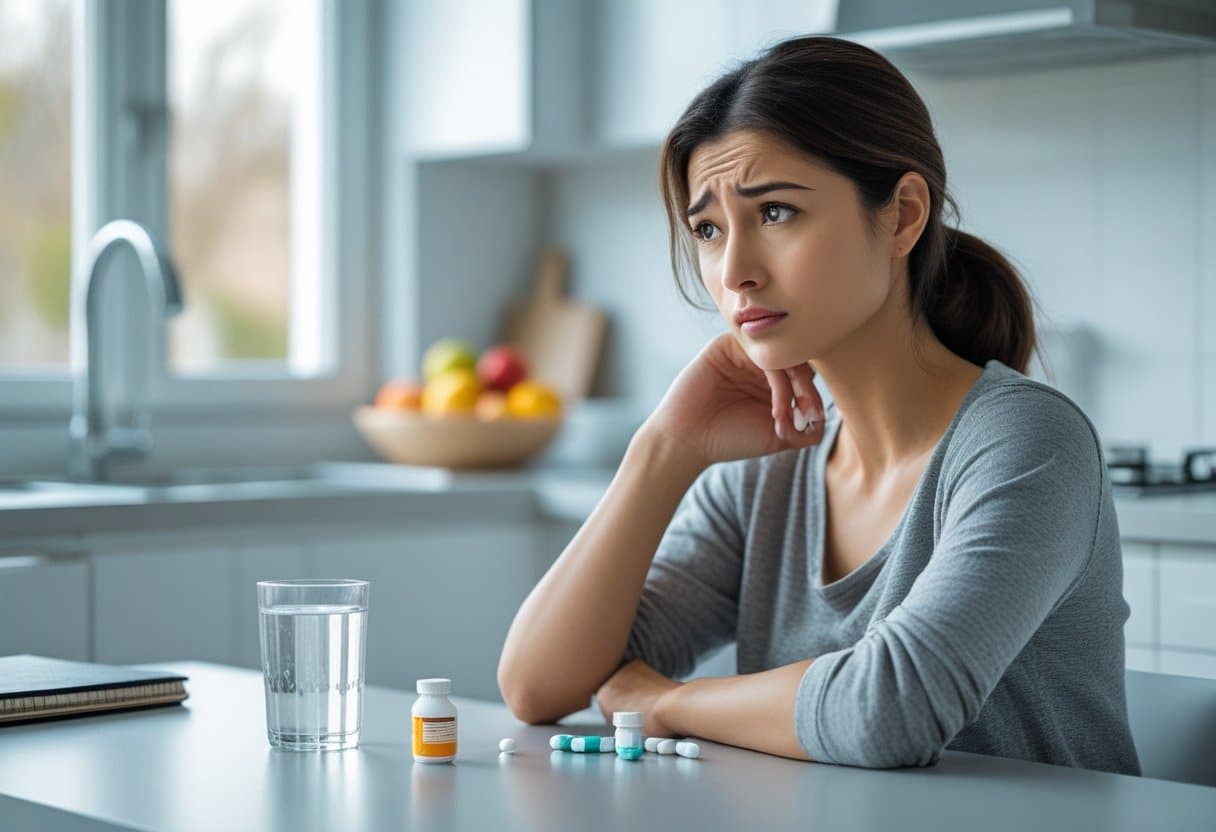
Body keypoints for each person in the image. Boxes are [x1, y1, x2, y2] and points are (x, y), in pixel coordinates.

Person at [497, 35, 1140, 775]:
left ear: (901, 216)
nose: (734, 270)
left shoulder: (1027, 440)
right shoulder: (767, 473)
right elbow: (538, 684)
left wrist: (667, 702)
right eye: (708, 229)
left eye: (775, 213)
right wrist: (662, 452)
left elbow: (889, 712)